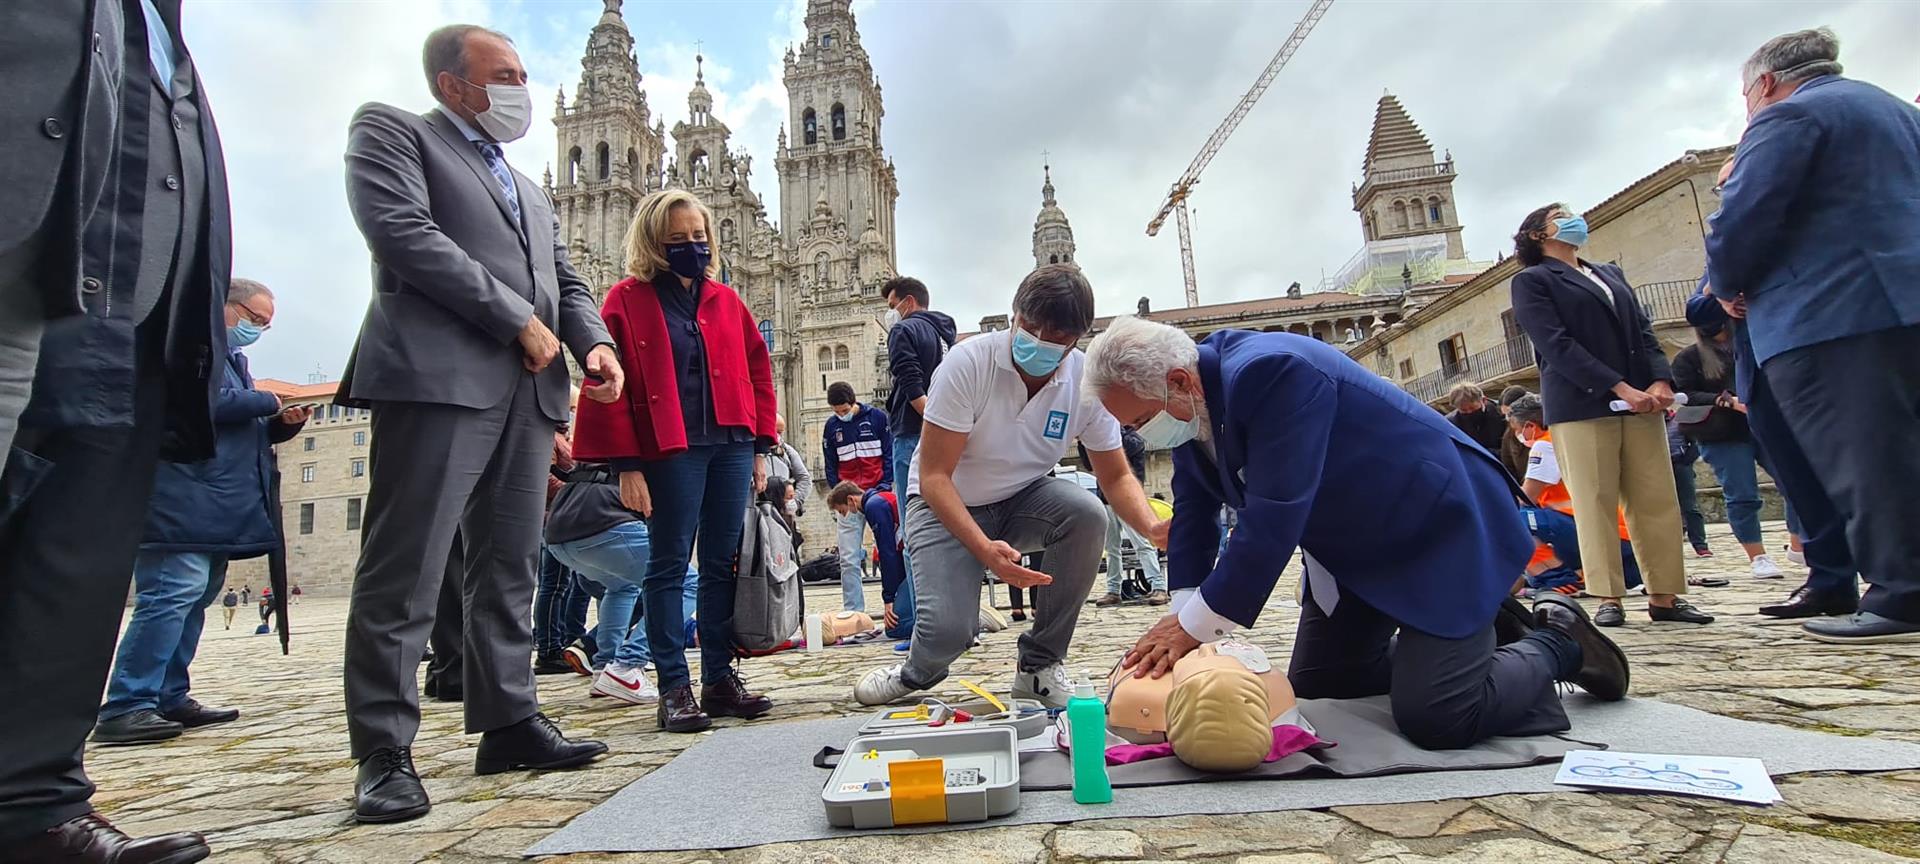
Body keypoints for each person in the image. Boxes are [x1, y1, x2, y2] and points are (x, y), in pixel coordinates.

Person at [1086, 317, 1629, 751]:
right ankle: (1468, 644)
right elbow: (1196, 511)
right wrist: (1180, 612)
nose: (1138, 435)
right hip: (1354, 549)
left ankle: (1559, 641)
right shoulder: (1188, 405)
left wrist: (1195, 627)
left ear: (1178, 381)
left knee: (1440, 717)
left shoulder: (1272, 372)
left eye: (1136, 422)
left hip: (1436, 528)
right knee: (1327, 688)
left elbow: (1272, 517)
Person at [336, 25, 623, 824]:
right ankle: (384, 750)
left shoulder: (529, 187)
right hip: (436, 380)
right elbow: (404, 236)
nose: (521, 88)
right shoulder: (393, 132)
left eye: (525, 74)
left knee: (509, 567)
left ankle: (509, 721)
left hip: (528, 397)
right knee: (409, 565)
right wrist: (514, 322)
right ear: (451, 83)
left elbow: (561, 276)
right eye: (505, 74)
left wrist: (592, 343)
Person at [1, 2, 235, 859]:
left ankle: (34, 803)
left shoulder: (165, 23)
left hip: (136, 307)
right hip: (28, 261)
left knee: (78, 555)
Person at [852, 265, 1166, 710]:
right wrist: (984, 550)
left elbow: (1113, 475)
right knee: (948, 633)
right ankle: (915, 671)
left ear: (1077, 338)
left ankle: (1039, 665)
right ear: (1014, 315)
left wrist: (1151, 526)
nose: (1037, 343)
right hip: (945, 503)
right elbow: (935, 476)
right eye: (1029, 327)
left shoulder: (1083, 381)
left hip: (1022, 496)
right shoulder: (968, 364)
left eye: (1054, 338)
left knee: (1087, 514)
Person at [1707, 27, 1920, 643]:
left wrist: (1725, 283)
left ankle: (1903, 594)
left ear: (1765, 84)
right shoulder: (1899, 113)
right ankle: (1841, 582)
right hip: (1901, 304)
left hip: (1830, 314)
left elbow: (1744, 216)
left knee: (1865, 457)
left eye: (1747, 94)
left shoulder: (1786, 119)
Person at [571, 188, 778, 734]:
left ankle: (718, 678)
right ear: (655, 243)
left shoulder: (727, 301)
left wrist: (760, 446)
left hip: (730, 444)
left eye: (700, 238)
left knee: (720, 563)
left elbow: (758, 372)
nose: (694, 247)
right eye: (679, 239)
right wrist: (626, 465)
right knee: (667, 567)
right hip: (670, 449)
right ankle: (673, 687)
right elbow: (608, 386)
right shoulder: (625, 300)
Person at [94, 278, 308, 745]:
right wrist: (263, 401)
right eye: (254, 320)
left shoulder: (232, 360)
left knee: (193, 599)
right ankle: (127, 703)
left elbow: (236, 433)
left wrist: (278, 427)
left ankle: (168, 694)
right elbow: (187, 404)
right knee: (171, 595)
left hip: (212, 501)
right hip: (179, 496)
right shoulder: (185, 346)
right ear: (225, 306)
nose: (257, 330)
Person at [1510, 203, 1709, 628]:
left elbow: (1642, 329)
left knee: (1655, 498)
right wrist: (1618, 386)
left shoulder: (1607, 274)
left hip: (1642, 402)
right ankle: (1608, 595)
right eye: (1561, 215)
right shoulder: (1532, 281)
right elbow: (1556, 344)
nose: (1573, 218)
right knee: (1594, 500)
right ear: (1537, 235)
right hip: (1582, 403)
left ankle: (1665, 595)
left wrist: (1660, 382)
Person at [1687, 275, 1860, 620]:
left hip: (1821, 356)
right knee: (1795, 484)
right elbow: (1697, 308)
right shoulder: (1735, 250)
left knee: (1856, 473)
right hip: (1760, 382)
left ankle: (1892, 577)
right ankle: (1830, 580)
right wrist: (1719, 292)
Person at [1672, 321, 1790, 578]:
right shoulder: (1690, 357)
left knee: (1795, 484)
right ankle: (1757, 556)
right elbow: (1684, 394)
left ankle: (1799, 543)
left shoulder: (1751, 346)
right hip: (1721, 433)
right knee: (1742, 494)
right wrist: (1724, 400)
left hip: (1764, 426)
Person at [1506, 394, 1651, 596]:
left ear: (1530, 426)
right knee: (1535, 523)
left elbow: (1527, 495)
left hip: (1592, 533)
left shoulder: (1544, 445)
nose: (1517, 435)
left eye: (1516, 429)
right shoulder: (1569, 439)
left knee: (1513, 522)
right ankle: (1577, 574)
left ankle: (1558, 579)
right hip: (1620, 537)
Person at [543, 458, 658, 707]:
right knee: (681, 583)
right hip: (605, 523)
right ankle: (628, 664)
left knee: (622, 587)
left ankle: (604, 669)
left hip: (558, 536)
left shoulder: (597, 444)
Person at [883, 276, 957, 649]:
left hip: (914, 433)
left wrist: (930, 417)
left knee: (915, 532)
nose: (890, 313)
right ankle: (958, 619)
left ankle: (922, 629)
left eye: (893, 304)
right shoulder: (946, 333)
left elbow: (910, 381)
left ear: (908, 302)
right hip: (948, 439)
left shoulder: (904, 332)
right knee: (947, 528)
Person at [822, 382, 892, 613]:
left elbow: (889, 452)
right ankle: (854, 611)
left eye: (844, 410)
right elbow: (830, 463)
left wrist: (885, 484)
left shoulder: (878, 418)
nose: (841, 415)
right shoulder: (831, 428)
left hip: (876, 493)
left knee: (890, 552)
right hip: (849, 499)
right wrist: (839, 490)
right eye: (836, 412)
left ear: (853, 403)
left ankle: (895, 606)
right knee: (849, 559)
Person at [1082, 428, 1169, 607]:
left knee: (1142, 544)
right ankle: (1113, 589)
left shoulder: (1132, 439)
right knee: (1112, 548)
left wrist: (1101, 437)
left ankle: (1159, 586)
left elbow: (1115, 461)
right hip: (1105, 499)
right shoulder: (1098, 438)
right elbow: (1090, 464)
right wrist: (1085, 442)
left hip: (1130, 499)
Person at [827, 481, 910, 639]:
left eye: (843, 510)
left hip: (914, 563)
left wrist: (889, 599)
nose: (846, 515)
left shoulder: (874, 507)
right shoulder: (879, 499)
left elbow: (888, 553)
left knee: (894, 629)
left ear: (851, 500)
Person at [1666, 410, 1712, 558]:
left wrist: (1686, 462)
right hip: (1656, 467)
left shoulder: (1679, 421)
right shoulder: (1644, 423)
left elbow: (1695, 443)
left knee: (1689, 506)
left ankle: (1700, 545)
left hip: (1680, 464)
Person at [765, 414, 812, 513]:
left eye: (780, 433)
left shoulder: (787, 451)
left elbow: (804, 478)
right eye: (776, 432)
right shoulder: (751, 452)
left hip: (784, 507)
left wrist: (795, 502)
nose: (778, 436)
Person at [1444, 383, 1507, 456]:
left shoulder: (1501, 413)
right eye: (1463, 410)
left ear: (1483, 400)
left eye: (1472, 408)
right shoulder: (1451, 424)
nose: (1469, 412)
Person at [1497, 385, 1533, 481]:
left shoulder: (1544, 426)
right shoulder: (1509, 434)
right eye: (1505, 416)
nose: (1509, 420)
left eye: (1510, 415)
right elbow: (1508, 465)